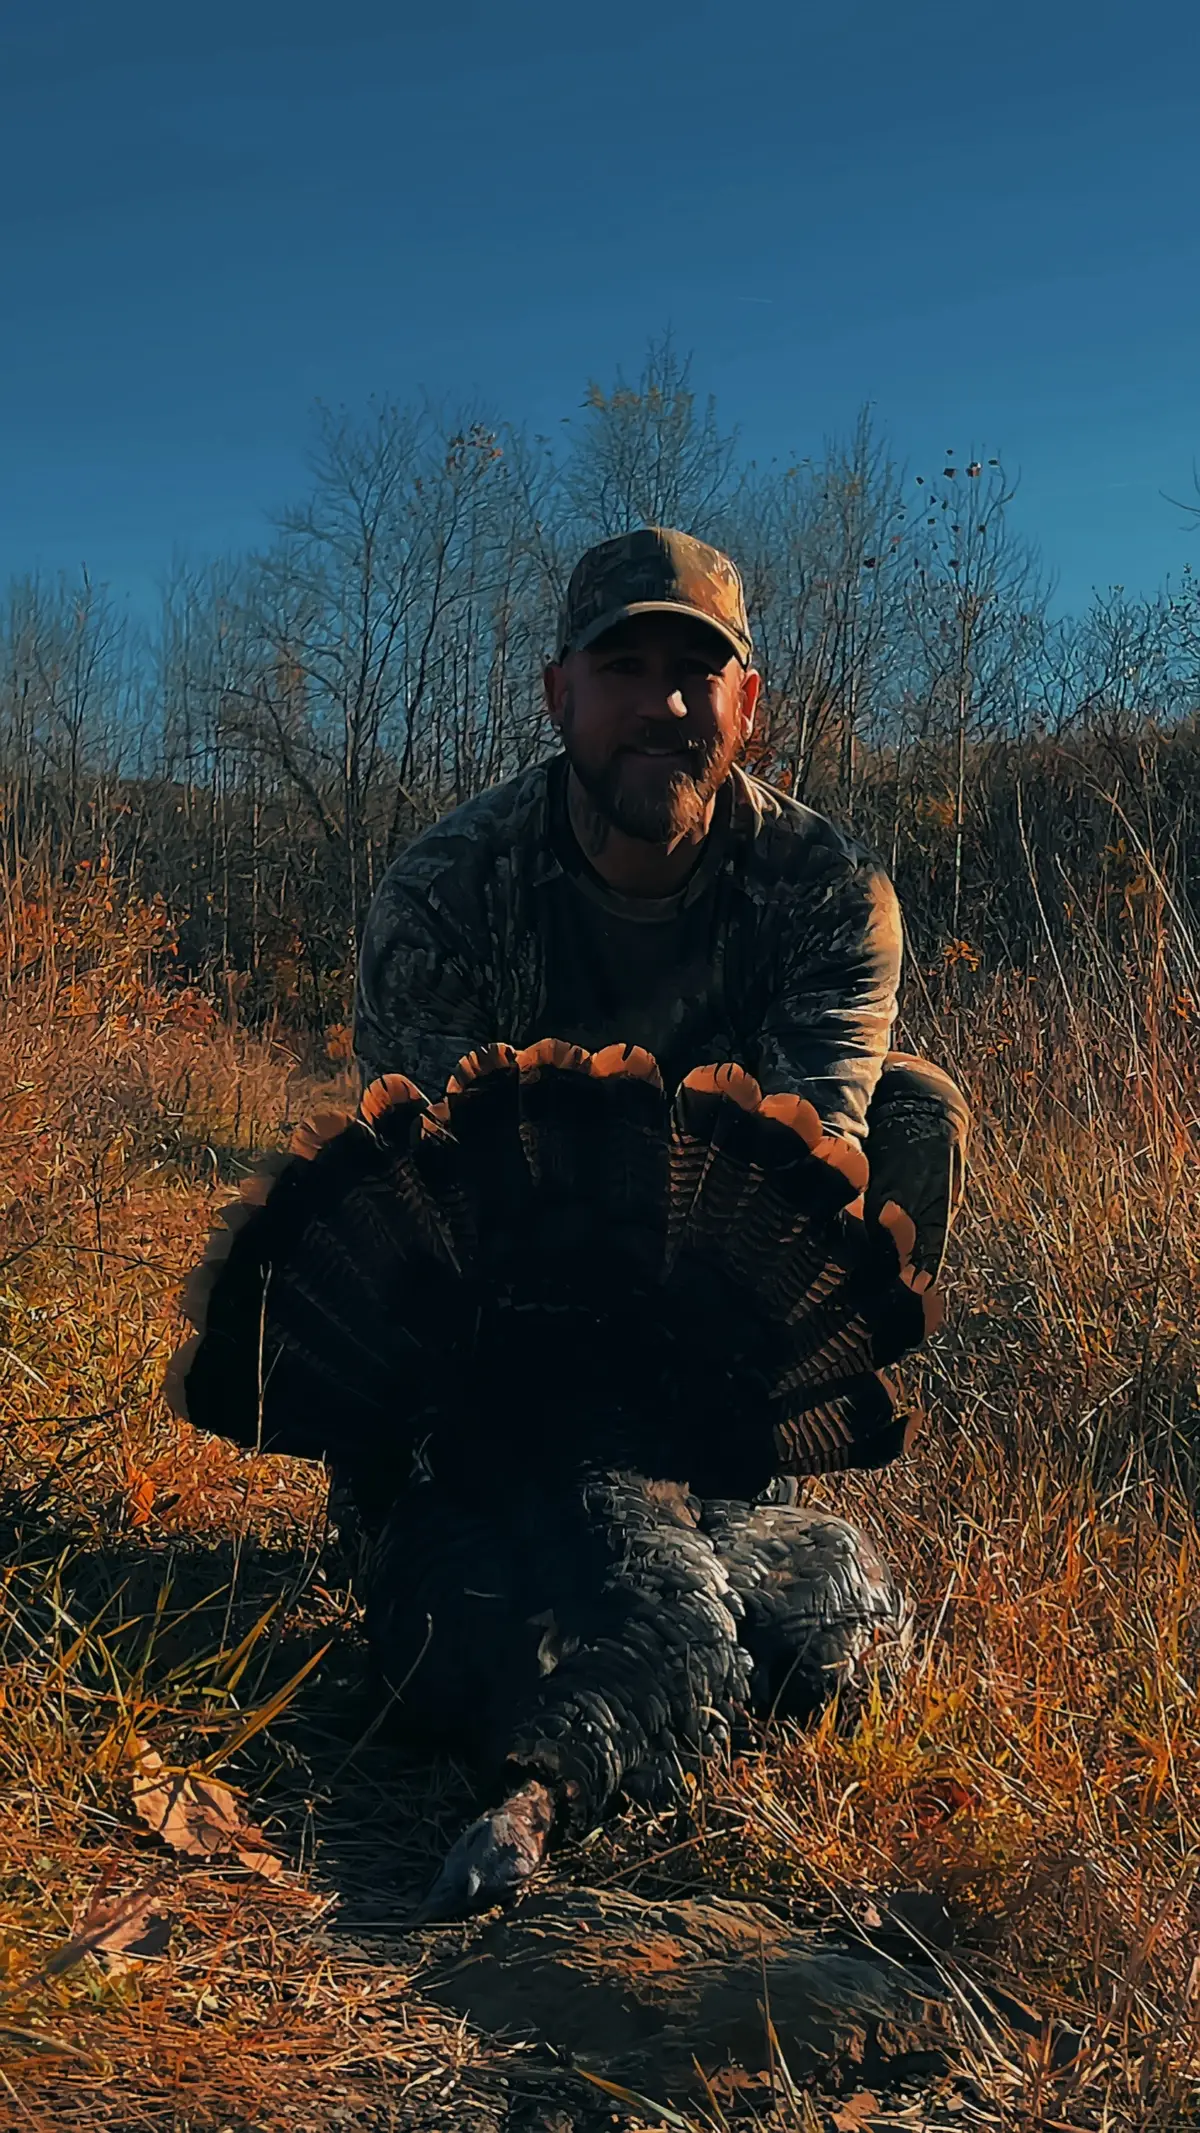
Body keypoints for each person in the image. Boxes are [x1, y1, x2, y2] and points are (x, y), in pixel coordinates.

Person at [355, 526, 968, 1280]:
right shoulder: (445, 892)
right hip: (516, 1274)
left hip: (728, 1276)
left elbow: (811, 1158)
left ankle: (825, 1393)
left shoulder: (830, 893)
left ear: (745, 704)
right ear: (558, 695)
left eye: (696, 670)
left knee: (914, 1109)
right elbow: (430, 1178)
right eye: (622, 668)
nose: (665, 704)